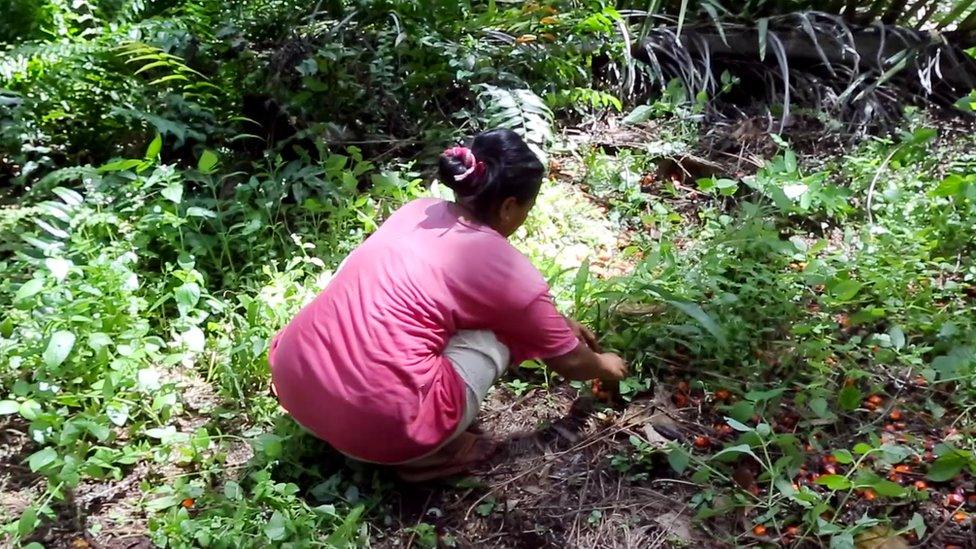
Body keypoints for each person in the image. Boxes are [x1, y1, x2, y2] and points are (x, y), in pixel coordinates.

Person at [269, 129, 628, 481]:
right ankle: (427, 454)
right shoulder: (509, 272)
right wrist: (606, 366)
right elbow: (569, 361)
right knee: (500, 334)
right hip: (378, 429)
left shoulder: (418, 211)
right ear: (508, 207)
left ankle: (354, 414)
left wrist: (557, 322)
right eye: (527, 209)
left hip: (296, 387)